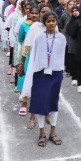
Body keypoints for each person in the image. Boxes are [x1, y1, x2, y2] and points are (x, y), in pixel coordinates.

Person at [26, 10, 67, 147]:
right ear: (44, 23)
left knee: (53, 102)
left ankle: (53, 132)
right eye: (48, 21)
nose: (51, 23)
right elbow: (35, 56)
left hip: (55, 73)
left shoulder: (61, 38)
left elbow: (61, 56)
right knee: (41, 102)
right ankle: (42, 132)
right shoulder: (39, 38)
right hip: (41, 73)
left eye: (53, 21)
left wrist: (59, 69)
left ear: (56, 22)